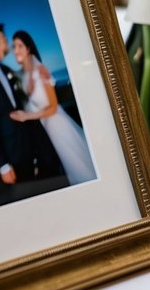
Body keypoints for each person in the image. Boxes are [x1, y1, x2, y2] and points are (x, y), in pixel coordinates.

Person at [0, 22, 65, 197]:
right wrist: (2, 164)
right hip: (12, 154)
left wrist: (38, 71)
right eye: (4, 40)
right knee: (27, 198)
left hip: (32, 144)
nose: (7, 44)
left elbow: (23, 102)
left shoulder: (8, 70)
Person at [9, 30, 96, 186]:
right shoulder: (23, 76)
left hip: (57, 126)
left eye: (20, 46)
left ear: (28, 48)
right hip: (45, 129)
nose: (15, 50)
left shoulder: (41, 70)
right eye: (14, 46)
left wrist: (26, 116)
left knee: (78, 166)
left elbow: (53, 107)